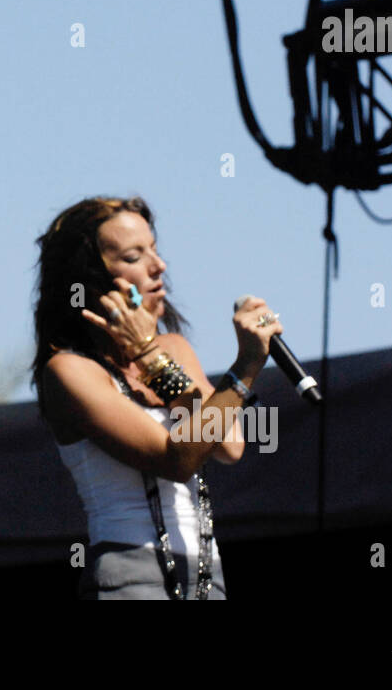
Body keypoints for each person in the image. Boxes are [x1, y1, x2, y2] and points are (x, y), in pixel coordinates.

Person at [31, 196, 283, 599]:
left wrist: (154, 356)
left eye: (154, 248)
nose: (158, 265)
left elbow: (227, 443)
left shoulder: (174, 348)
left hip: (206, 577)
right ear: (91, 279)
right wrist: (246, 366)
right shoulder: (69, 371)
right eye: (134, 256)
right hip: (131, 574)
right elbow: (176, 458)